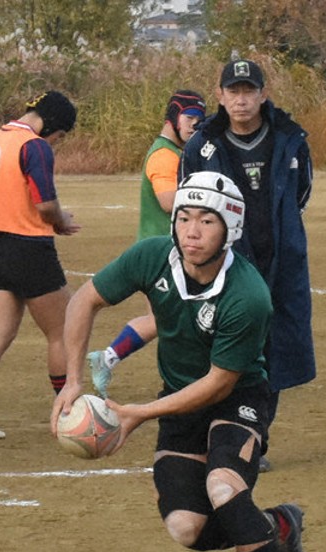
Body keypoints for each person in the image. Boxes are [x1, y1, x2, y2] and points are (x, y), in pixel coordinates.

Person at [52, 172, 308, 552]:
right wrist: (72, 381)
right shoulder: (152, 257)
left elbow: (217, 384)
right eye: (184, 218)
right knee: (186, 529)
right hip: (178, 398)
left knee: (225, 490)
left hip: (239, 397)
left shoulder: (249, 296)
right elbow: (84, 301)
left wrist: (136, 414)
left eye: (207, 221)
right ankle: (278, 526)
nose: (191, 231)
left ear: (230, 227)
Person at [179, 58, 315, 472]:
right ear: (219, 96)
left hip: (281, 261)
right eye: (233, 91)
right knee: (217, 347)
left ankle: (255, 439)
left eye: (248, 91)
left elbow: (302, 193)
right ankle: (214, 434)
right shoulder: (201, 146)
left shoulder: (290, 139)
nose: (241, 100)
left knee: (271, 351)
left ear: (263, 94)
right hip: (225, 263)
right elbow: (189, 204)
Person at [0, 90, 80, 439]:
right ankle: (68, 412)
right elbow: (44, 205)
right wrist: (61, 220)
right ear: (54, 125)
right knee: (64, 331)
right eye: (60, 136)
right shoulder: (35, 146)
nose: (57, 143)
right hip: (29, 248)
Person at [87, 89, 206, 399]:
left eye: (200, 120)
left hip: (172, 250)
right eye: (190, 118)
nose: (196, 125)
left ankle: (108, 358)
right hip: (161, 253)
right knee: (176, 320)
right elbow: (168, 202)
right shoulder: (164, 155)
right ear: (173, 117)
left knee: (166, 320)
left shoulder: (177, 153)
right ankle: (186, 382)